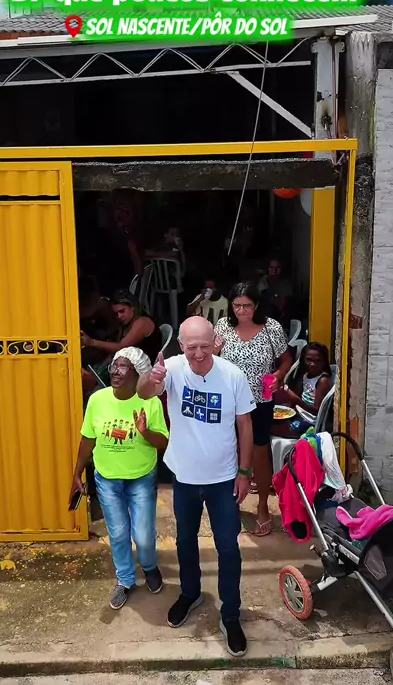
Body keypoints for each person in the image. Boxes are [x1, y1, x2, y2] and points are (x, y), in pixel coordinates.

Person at [137, 316, 255, 658]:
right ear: (181, 345)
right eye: (192, 347)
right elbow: (144, 392)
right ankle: (190, 594)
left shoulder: (232, 375)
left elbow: (245, 425)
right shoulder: (172, 368)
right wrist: (152, 377)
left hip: (223, 478)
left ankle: (230, 614)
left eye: (205, 346)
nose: (199, 354)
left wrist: (245, 472)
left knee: (228, 548)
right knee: (185, 541)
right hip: (185, 477)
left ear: (216, 342)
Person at [69, 347, 169, 610]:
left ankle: (149, 566)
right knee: (118, 533)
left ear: (139, 374)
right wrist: (77, 472)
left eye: (123, 367)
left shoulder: (150, 402)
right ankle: (125, 579)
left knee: (143, 536)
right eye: (114, 366)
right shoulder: (97, 400)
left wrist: (145, 432)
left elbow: (162, 443)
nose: (115, 371)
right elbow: (88, 438)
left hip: (141, 478)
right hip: (108, 479)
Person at [214, 282, 292, 538]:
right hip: (228, 401)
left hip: (260, 400)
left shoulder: (271, 328)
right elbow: (210, 358)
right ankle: (231, 503)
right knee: (229, 451)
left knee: (259, 452)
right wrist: (212, 350)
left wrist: (278, 376)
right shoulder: (223, 327)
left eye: (247, 306)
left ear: (256, 305)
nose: (242, 311)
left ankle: (262, 505)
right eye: (237, 305)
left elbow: (286, 359)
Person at [80, 290, 163, 366]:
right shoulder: (126, 323)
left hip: (143, 368)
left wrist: (92, 342)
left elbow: (121, 348)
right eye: (116, 314)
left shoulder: (142, 322)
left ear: (133, 307)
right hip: (128, 364)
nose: (119, 316)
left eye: (122, 311)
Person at [272, 343, 333, 438]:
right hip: (298, 415)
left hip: (309, 423)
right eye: (309, 360)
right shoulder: (305, 375)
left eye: (317, 361)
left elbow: (316, 411)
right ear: (303, 360)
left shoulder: (322, 381)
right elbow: (299, 396)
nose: (312, 364)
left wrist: (294, 398)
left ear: (324, 362)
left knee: (269, 429)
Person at [257, 257, 293, 332]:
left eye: (277, 268)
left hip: (278, 319)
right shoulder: (262, 281)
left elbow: (283, 306)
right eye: (271, 267)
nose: (274, 270)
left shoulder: (285, 284)